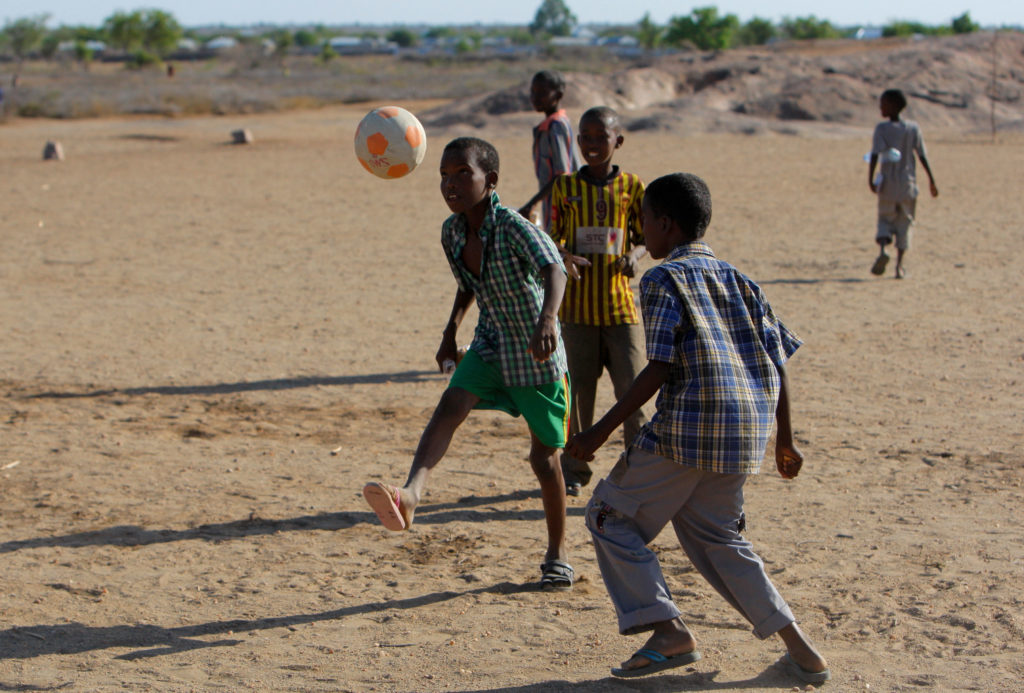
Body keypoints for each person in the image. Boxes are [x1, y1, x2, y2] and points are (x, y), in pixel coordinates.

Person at [565, 173, 831, 683]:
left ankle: (668, 630)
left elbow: (659, 365)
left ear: (665, 224)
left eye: (643, 222)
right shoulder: (739, 279)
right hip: (744, 433)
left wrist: (599, 430)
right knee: (720, 540)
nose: (641, 232)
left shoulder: (661, 280)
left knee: (606, 517)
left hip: (690, 427)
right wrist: (784, 439)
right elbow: (778, 362)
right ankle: (801, 651)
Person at [363, 137, 576, 591]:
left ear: (490, 181)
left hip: (536, 350)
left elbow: (554, 267)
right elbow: (468, 286)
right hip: (492, 340)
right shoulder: (452, 231)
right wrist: (449, 334)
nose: (451, 183)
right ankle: (411, 495)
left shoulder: (515, 227)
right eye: (444, 174)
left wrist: (548, 319)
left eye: (463, 173)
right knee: (450, 405)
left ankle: (558, 553)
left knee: (545, 459)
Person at [548, 106, 647, 497]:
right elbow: (552, 236)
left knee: (633, 394)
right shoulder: (565, 186)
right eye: (585, 137)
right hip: (577, 311)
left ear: (617, 141)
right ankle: (574, 470)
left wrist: (633, 258)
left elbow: (643, 236)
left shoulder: (633, 187)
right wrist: (566, 256)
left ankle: (637, 471)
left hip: (620, 308)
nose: (591, 144)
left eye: (599, 137)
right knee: (578, 398)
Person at [868, 88, 939, 279]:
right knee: (904, 222)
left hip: (887, 183)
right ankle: (899, 266)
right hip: (908, 183)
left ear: (893, 106)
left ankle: (883, 249)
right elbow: (922, 155)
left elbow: (875, 155)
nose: (881, 107)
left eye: (883, 104)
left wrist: (870, 179)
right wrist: (931, 180)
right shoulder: (913, 129)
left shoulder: (882, 129)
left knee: (884, 218)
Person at [519, 70, 580, 230]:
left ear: (558, 95)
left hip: (564, 204)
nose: (535, 97)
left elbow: (562, 175)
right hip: (553, 201)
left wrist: (531, 204)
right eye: (533, 92)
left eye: (542, 93)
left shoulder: (557, 126)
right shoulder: (548, 126)